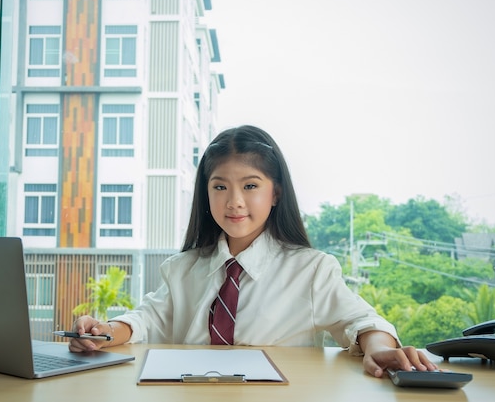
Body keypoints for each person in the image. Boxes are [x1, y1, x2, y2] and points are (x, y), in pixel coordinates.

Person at [68, 125, 437, 378]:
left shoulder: (311, 271)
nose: (234, 202)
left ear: (275, 193)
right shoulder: (181, 270)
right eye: (219, 187)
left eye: (250, 185)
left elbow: (361, 322)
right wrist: (103, 331)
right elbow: (146, 319)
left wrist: (378, 348)